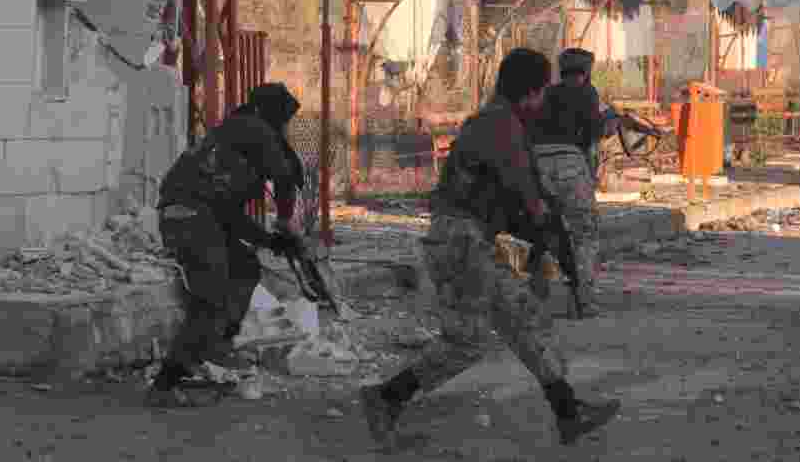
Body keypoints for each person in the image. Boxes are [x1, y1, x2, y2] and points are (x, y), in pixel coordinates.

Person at [359, 48, 620, 449]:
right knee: (468, 341)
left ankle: (568, 411)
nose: (541, 104)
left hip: (472, 240)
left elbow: (520, 207)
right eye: (540, 94)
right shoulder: (502, 128)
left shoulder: (503, 123)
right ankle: (386, 397)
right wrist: (557, 258)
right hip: (460, 241)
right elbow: (532, 208)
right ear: (531, 93)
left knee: (522, 318)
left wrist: (545, 254)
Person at [147, 83, 305, 408]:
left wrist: (269, 240)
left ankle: (214, 347)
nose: (285, 128)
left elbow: (228, 215)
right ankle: (166, 383)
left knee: (245, 266)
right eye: (285, 120)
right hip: (190, 217)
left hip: (194, 216)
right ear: (273, 114)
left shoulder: (232, 139)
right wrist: (286, 222)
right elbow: (285, 177)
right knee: (212, 299)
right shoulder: (256, 129)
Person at [531, 48, 616, 319]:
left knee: (541, 231)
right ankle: (583, 300)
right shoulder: (587, 93)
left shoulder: (546, 94)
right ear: (587, 71)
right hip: (569, 164)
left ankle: (535, 297)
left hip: (537, 164)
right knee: (584, 233)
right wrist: (609, 122)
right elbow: (592, 131)